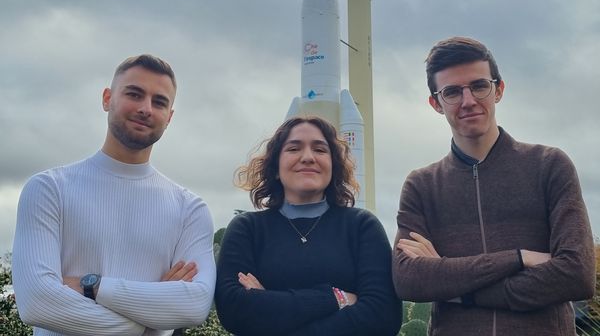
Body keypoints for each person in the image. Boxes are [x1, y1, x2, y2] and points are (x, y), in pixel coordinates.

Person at [392, 36, 595, 335]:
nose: (468, 101)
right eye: (452, 92)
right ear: (436, 103)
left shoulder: (549, 165)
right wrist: (518, 258)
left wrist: (461, 290)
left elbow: (576, 275)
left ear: (498, 89)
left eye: (479, 86)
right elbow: (409, 279)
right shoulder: (421, 185)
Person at [12, 54, 216, 335]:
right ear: (107, 98)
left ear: (169, 117)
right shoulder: (49, 189)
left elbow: (194, 306)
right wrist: (148, 323)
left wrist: (92, 286)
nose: (146, 108)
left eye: (159, 102)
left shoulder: (189, 209)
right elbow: (38, 303)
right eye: (134, 94)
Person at [215, 116, 402, 335]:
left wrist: (268, 304)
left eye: (320, 150)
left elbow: (382, 316)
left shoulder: (362, 226)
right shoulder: (247, 229)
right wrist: (336, 298)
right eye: (294, 149)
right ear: (275, 167)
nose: (308, 157)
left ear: (334, 166)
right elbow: (235, 310)